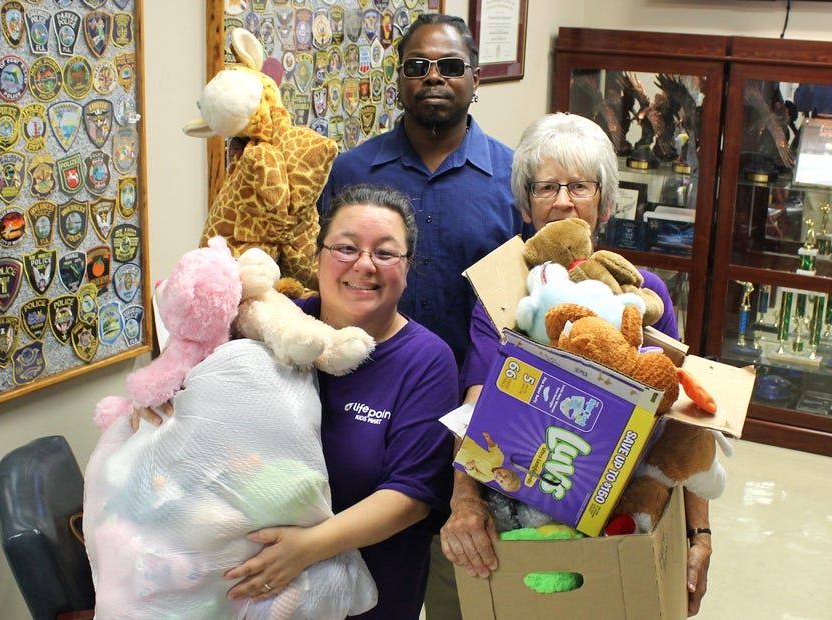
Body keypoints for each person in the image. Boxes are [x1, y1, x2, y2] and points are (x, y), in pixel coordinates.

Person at [442, 112, 714, 617]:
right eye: (546, 187)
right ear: (526, 204)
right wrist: (464, 501)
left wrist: (698, 533)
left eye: (579, 186)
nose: (562, 200)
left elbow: (682, 421)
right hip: (522, 513)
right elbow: (475, 401)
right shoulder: (503, 296)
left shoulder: (645, 294)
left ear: (605, 202)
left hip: (623, 517)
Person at [224, 184, 458, 619]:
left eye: (385, 253)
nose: (364, 265)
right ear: (317, 257)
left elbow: (410, 496)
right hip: (250, 593)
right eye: (346, 247)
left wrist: (305, 549)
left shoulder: (426, 361)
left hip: (373, 598)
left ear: (408, 268)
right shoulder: (274, 326)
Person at [317, 13, 532, 367]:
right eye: (417, 66)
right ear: (399, 79)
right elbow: (324, 277)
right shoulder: (350, 172)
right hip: (362, 382)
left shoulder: (515, 177)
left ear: (475, 80)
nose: (433, 76)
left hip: (477, 391)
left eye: (450, 65)